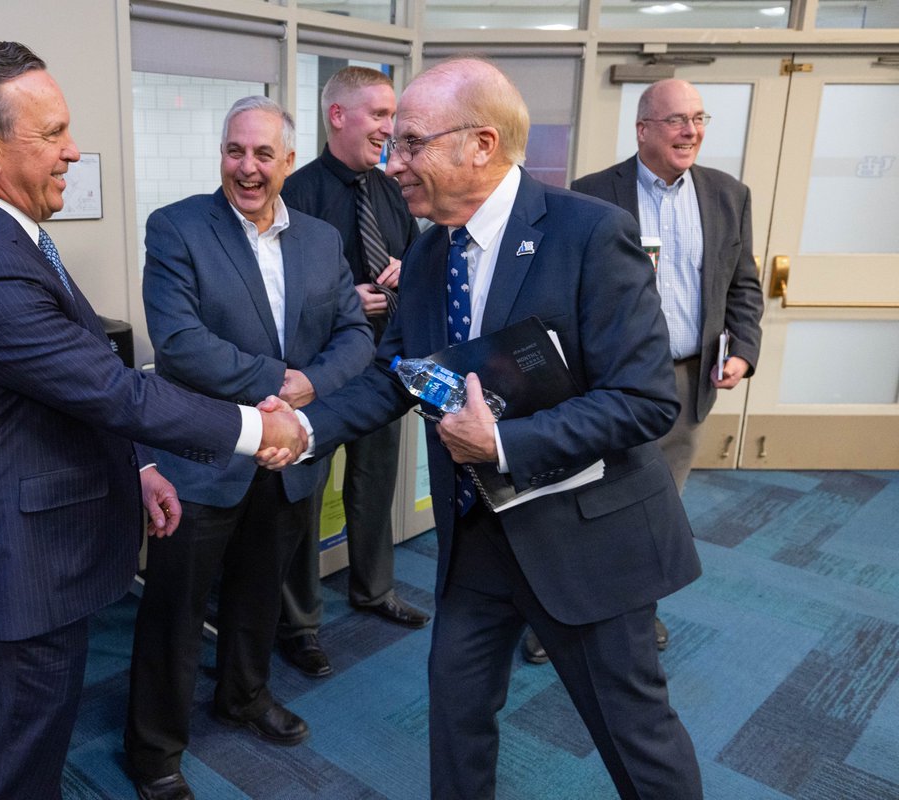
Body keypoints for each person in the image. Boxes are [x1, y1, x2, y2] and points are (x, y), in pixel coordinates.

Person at [262, 58, 704, 799]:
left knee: (636, 738)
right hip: (478, 539)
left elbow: (645, 400)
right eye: (391, 144)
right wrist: (304, 428)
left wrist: (502, 443)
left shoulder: (590, 234)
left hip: (584, 540)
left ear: (482, 144)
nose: (392, 163)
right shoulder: (428, 251)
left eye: (410, 143)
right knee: (457, 719)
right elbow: (396, 374)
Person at [0, 42, 305, 800]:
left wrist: (137, 466)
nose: (73, 150)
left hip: (40, 557)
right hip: (18, 571)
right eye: (53, 132)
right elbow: (113, 390)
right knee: (12, 776)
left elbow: (69, 386)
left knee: (33, 758)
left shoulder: (5, 234)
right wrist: (259, 429)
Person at [123, 96, 373, 800]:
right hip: (203, 456)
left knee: (261, 593)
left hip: (288, 457)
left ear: (288, 160)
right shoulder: (176, 228)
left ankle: (244, 694)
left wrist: (307, 387)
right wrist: (280, 385)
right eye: (235, 151)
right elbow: (180, 344)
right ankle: (153, 749)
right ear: (222, 155)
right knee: (174, 611)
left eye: (264, 153)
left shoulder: (321, 239)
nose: (248, 167)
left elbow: (355, 335)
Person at [515, 79, 765, 665]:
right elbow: (559, 290)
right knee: (584, 501)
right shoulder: (591, 194)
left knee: (657, 507)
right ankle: (558, 618)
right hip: (605, 384)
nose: (690, 131)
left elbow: (742, 285)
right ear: (643, 128)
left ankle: (634, 613)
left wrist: (743, 349)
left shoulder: (729, 195)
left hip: (684, 382)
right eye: (676, 120)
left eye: (698, 119)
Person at [276, 66, 427, 679]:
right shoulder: (295, 194)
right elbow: (277, 288)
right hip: (316, 375)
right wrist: (345, 302)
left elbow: (419, 253)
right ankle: (299, 625)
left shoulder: (393, 190)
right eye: (380, 115)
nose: (390, 128)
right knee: (304, 498)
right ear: (338, 116)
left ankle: (373, 588)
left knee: (375, 483)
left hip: (382, 369)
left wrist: (406, 269)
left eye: (393, 115)